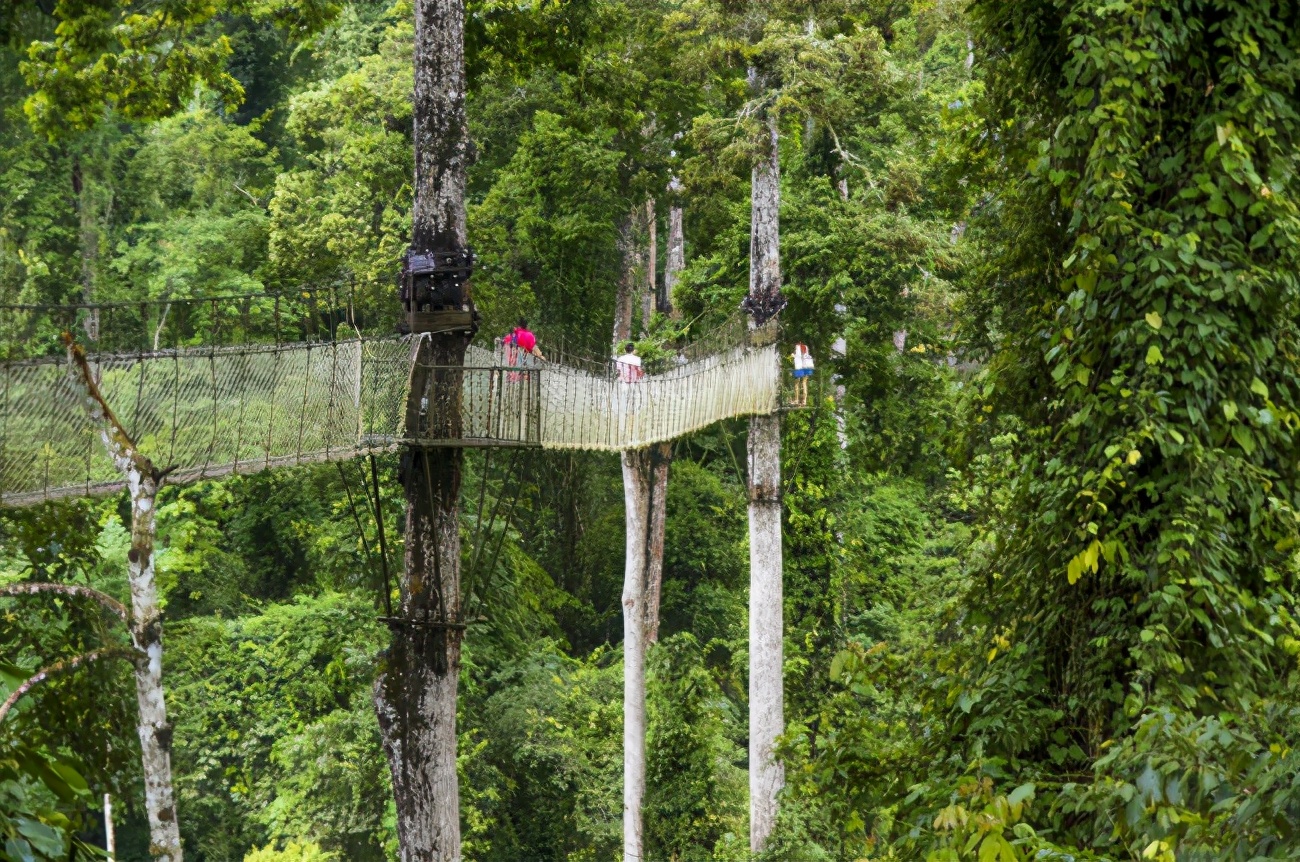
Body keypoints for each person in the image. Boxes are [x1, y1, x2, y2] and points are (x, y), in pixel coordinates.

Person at [791, 342, 814, 406]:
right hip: (808, 367)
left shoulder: (797, 347)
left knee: (797, 383)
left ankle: (796, 400)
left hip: (800, 367)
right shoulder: (806, 347)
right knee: (804, 383)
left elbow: (798, 358)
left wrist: (793, 356)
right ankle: (804, 401)